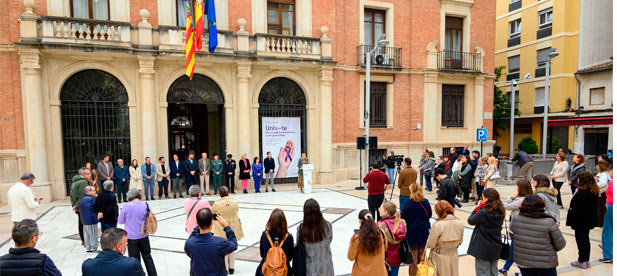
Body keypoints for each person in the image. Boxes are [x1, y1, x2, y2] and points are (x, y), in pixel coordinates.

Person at [510, 195, 566, 276]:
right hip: (545, 263)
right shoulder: (549, 221)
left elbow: (513, 231)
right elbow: (561, 244)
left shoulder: (515, 219)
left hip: (524, 262)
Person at [185, 208, 237, 276]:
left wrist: (199, 224)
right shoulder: (220, 242)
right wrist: (226, 227)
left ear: (196, 223)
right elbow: (233, 245)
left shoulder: (190, 243)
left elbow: (193, 236)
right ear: (212, 222)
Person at [118, 189, 157, 276]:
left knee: (134, 260)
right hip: (144, 235)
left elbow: (121, 221)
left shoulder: (126, 206)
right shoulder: (146, 204)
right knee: (147, 257)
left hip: (131, 237)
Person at [467, 188, 505, 276]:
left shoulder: (484, 212)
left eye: (483, 197)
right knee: (493, 271)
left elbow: (471, 220)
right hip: (496, 245)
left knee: (483, 272)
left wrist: (478, 207)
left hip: (483, 247)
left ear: (487, 199)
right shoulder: (501, 210)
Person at [500, 179, 534, 275]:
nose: (516, 189)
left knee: (515, 250)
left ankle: (520, 271)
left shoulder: (521, 200)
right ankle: (506, 268)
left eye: (518, 187)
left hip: (517, 229)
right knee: (516, 250)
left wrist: (512, 197)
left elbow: (505, 206)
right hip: (526, 227)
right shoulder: (532, 198)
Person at [566, 171, 599, 269]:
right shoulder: (593, 191)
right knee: (586, 239)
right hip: (588, 219)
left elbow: (579, 207)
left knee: (581, 240)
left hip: (581, 220)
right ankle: (586, 260)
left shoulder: (582, 193)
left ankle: (582, 260)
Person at [426, 200, 464, 276]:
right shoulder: (459, 223)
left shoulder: (438, 225)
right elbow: (460, 242)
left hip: (439, 256)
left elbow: (430, 244)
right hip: (453, 255)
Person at [297, 198, 334, 276]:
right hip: (327, 268)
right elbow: (329, 240)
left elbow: (300, 248)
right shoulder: (328, 226)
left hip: (311, 269)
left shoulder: (301, 229)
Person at [401, 183, 431, 276]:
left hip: (412, 232)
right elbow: (429, 215)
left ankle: (413, 274)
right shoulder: (425, 202)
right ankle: (422, 273)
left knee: (413, 258)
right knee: (422, 256)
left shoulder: (409, 203)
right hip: (423, 231)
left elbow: (403, 216)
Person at [212, 186, 244, 273]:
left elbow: (214, 213)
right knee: (232, 245)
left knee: (223, 246)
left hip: (221, 224)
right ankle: (232, 268)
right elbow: (236, 210)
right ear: (228, 193)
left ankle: (225, 268)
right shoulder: (235, 202)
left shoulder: (217, 203)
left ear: (219, 194)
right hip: (233, 223)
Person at [347, 209, 388, 276]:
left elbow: (350, 257)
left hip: (361, 273)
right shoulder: (381, 234)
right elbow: (385, 249)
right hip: (379, 272)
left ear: (360, 221)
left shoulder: (357, 238)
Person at [256, 208, 294, 276]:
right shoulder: (289, 237)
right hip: (283, 271)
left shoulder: (265, 235)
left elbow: (262, 254)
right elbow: (290, 257)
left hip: (266, 270)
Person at [377, 201, 407, 276]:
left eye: (380, 208)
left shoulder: (380, 225)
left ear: (386, 212)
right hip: (397, 257)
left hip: (385, 259)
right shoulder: (401, 222)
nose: (379, 210)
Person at [70, 168, 91, 246]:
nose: (90, 175)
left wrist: (74, 204)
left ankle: (83, 240)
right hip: (82, 206)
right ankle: (85, 240)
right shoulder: (83, 182)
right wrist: (76, 205)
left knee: (81, 222)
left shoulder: (75, 181)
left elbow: (71, 195)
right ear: (83, 174)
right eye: (88, 174)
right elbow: (82, 195)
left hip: (78, 206)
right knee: (84, 224)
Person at [80, 186, 99, 253]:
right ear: (88, 192)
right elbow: (97, 206)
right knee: (93, 234)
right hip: (91, 220)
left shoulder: (83, 198)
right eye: (93, 191)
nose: (95, 192)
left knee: (87, 235)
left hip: (84, 220)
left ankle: (88, 248)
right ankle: (93, 248)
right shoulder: (91, 199)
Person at [600, 170, 613, 263]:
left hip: (611, 206)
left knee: (608, 231)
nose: (610, 172)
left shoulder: (612, 183)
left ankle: (609, 255)